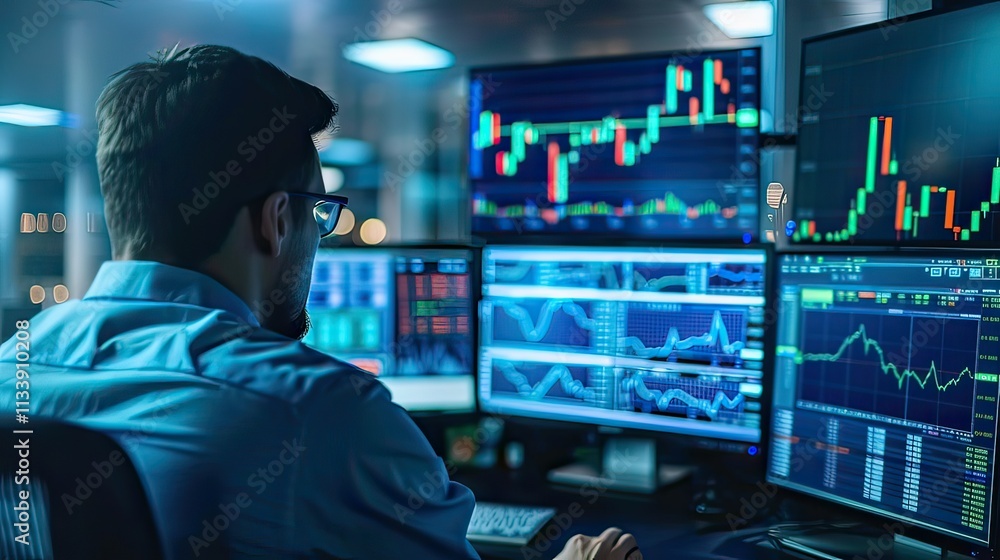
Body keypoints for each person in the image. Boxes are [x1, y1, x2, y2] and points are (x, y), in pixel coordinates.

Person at [0, 45, 642, 559]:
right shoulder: (322, 412)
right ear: (277, 221)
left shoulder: (13, 369)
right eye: (320, 213)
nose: (320, 235)